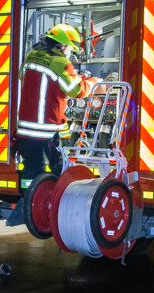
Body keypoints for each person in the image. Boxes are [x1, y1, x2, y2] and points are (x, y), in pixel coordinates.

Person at [16, 24, 100, 189]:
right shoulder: (60, 62)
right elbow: (77, 90)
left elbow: (24, 77)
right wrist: (94, 81)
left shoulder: (31, 56)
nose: (70, 51)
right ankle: (56, 202)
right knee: (60, 170)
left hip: (26, 130)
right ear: (61, 45)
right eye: (70, 47)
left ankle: (28, 201)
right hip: (49, 130)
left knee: (32, 169)